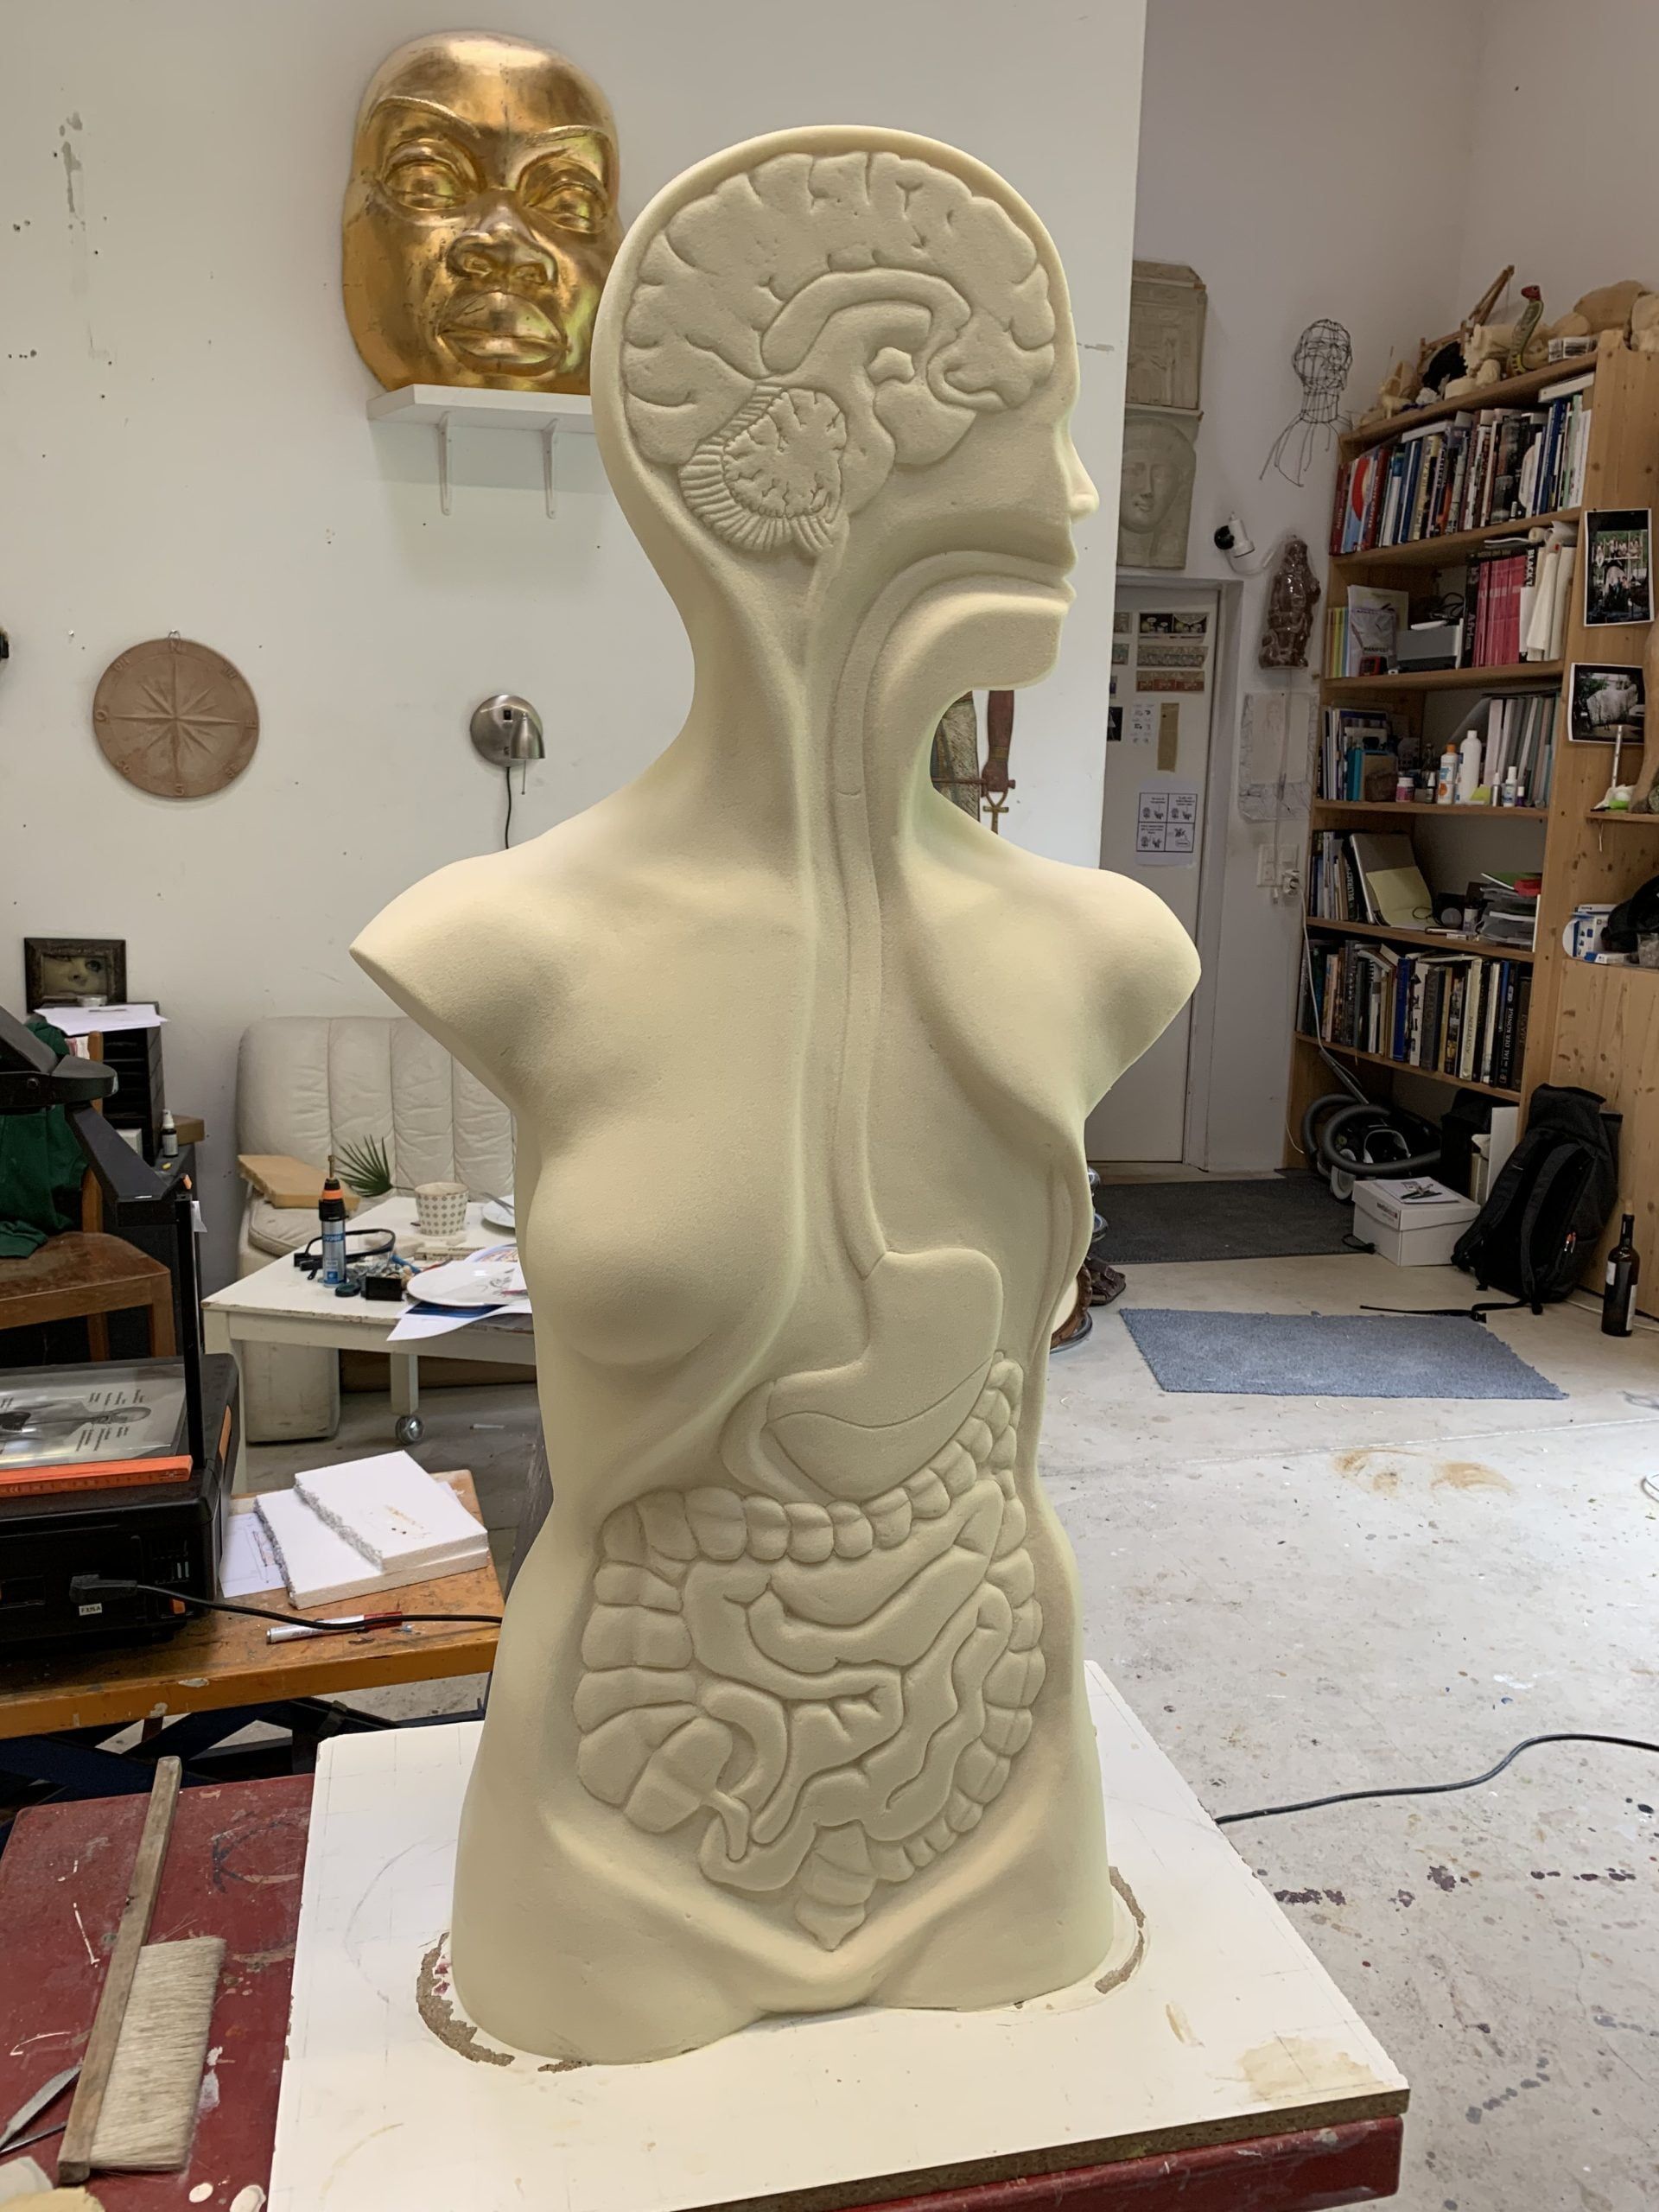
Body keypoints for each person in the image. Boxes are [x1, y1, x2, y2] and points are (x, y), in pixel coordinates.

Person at [354, 126, 1198, 2063]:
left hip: (995, 1796)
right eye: (1027, 423)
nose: (1078, 492)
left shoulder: (1103, 947)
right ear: (824, 459)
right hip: (612, 1827)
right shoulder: (509, 939)